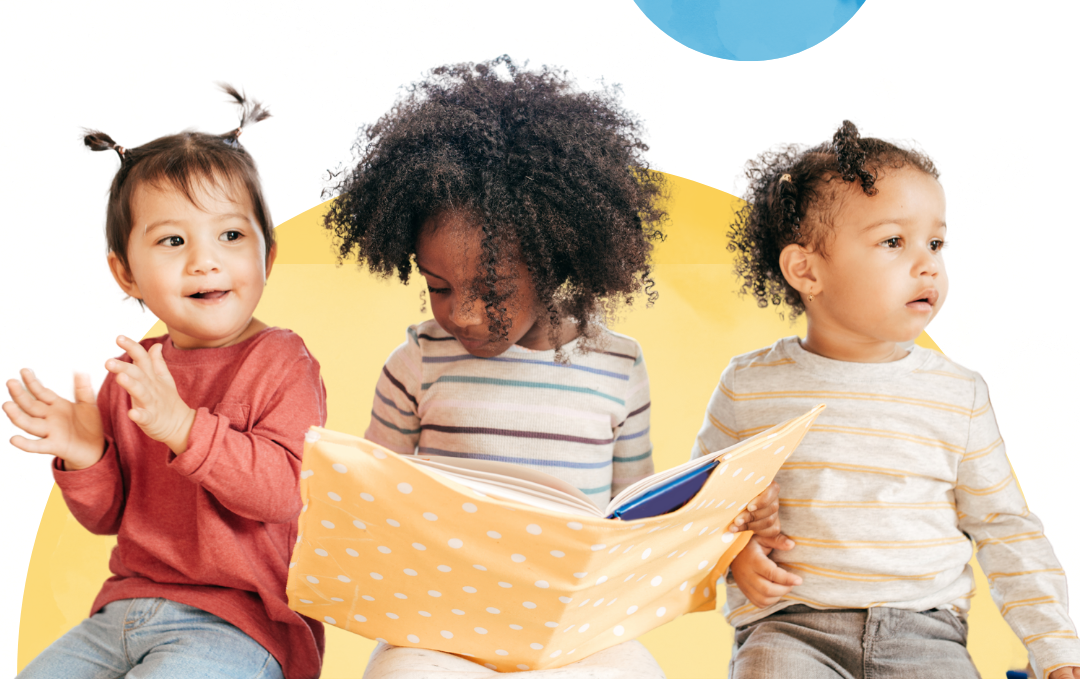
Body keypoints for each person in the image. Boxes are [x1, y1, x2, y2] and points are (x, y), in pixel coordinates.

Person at [320, 56, 783, 679]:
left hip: (577, 630)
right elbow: (372, 504)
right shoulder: (417, 365)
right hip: (440, 629)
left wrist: (721, 520)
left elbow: (634, 518)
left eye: (493, 290)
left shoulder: (619, 367)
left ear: (558, 258)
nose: (464, 315)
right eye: (438, 287)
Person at [692, 119, 1079, 679]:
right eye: (894, 241)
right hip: (790, 629)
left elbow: (1005, 527)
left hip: (926, 634)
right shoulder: (749, 385)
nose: (927, 264)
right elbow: (698, 507)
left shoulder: (958, 394)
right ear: (806, 270)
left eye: (936, 243)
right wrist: (733, 556)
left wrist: (1056, 651)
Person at [4, 82, 327, 679]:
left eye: (230, 235)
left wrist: (183, 427)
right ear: (125, 271)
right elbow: (111, 516)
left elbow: (284, 491)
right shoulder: (135, 374)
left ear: (268, 256)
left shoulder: (282, 361)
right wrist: (87, 455)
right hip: (121, 613)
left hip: (239, 623)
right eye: (173, 241)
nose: (205, 260)